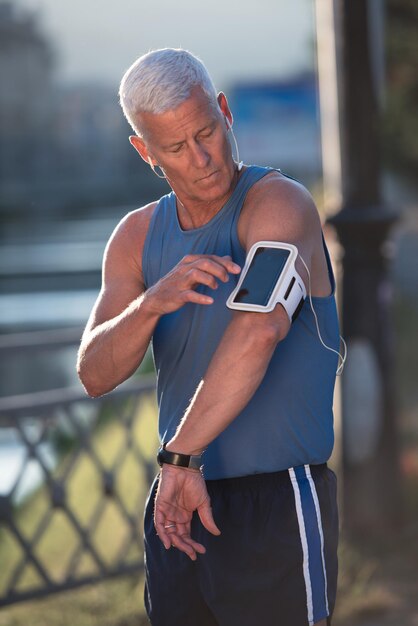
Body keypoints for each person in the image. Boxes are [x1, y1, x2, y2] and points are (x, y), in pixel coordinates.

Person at [77, 48, 343, 626]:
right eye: (176, 147)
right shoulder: (135, 237)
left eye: (207, 132)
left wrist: (179, 458)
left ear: (224, 112)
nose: (202, 159)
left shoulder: (279, 204)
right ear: (145, 151)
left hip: (274, 499)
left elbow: (260, 329)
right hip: (178, 505)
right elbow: (94, 373)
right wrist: (152, 303)